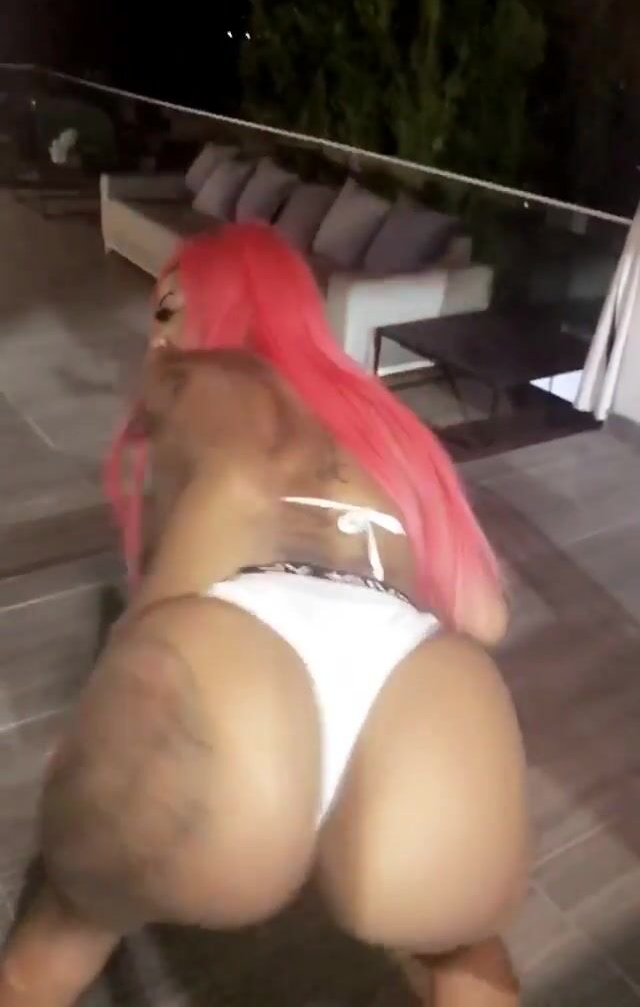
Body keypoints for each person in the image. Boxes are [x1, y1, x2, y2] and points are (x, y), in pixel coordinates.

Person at [0, 223, 528, 1007]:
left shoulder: (204, 379)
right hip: (414, 675)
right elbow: (485, 619)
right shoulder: (388, 420)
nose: (157, 335)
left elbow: (239, 489)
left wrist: (122, 675)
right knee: (465, 960)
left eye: (168, 309)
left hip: (236, 655)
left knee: (50, 950)